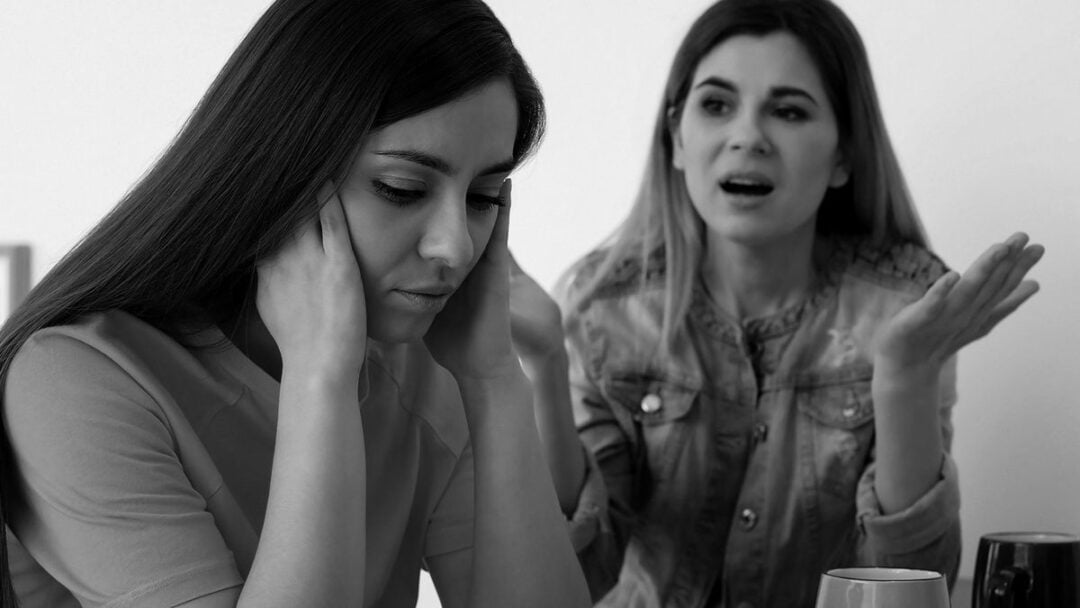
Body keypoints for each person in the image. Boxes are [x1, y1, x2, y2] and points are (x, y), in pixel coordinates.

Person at [0, 1, 593, 606]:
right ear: (282, 174)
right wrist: (319, 380)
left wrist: (493, 379)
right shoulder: (76, 381)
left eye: (484, 197)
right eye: (402, 189)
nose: (455, 245)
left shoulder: (423, 368)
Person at [509, 0, 1046, 606]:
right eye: (716, 105)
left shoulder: (904, 308)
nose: (748, 137)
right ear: (677, 139)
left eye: (788, 111)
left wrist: (905, 380)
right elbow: (572, 579)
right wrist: (545, 371)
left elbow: (913, 590)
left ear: (844, 154)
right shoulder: (601, 310)